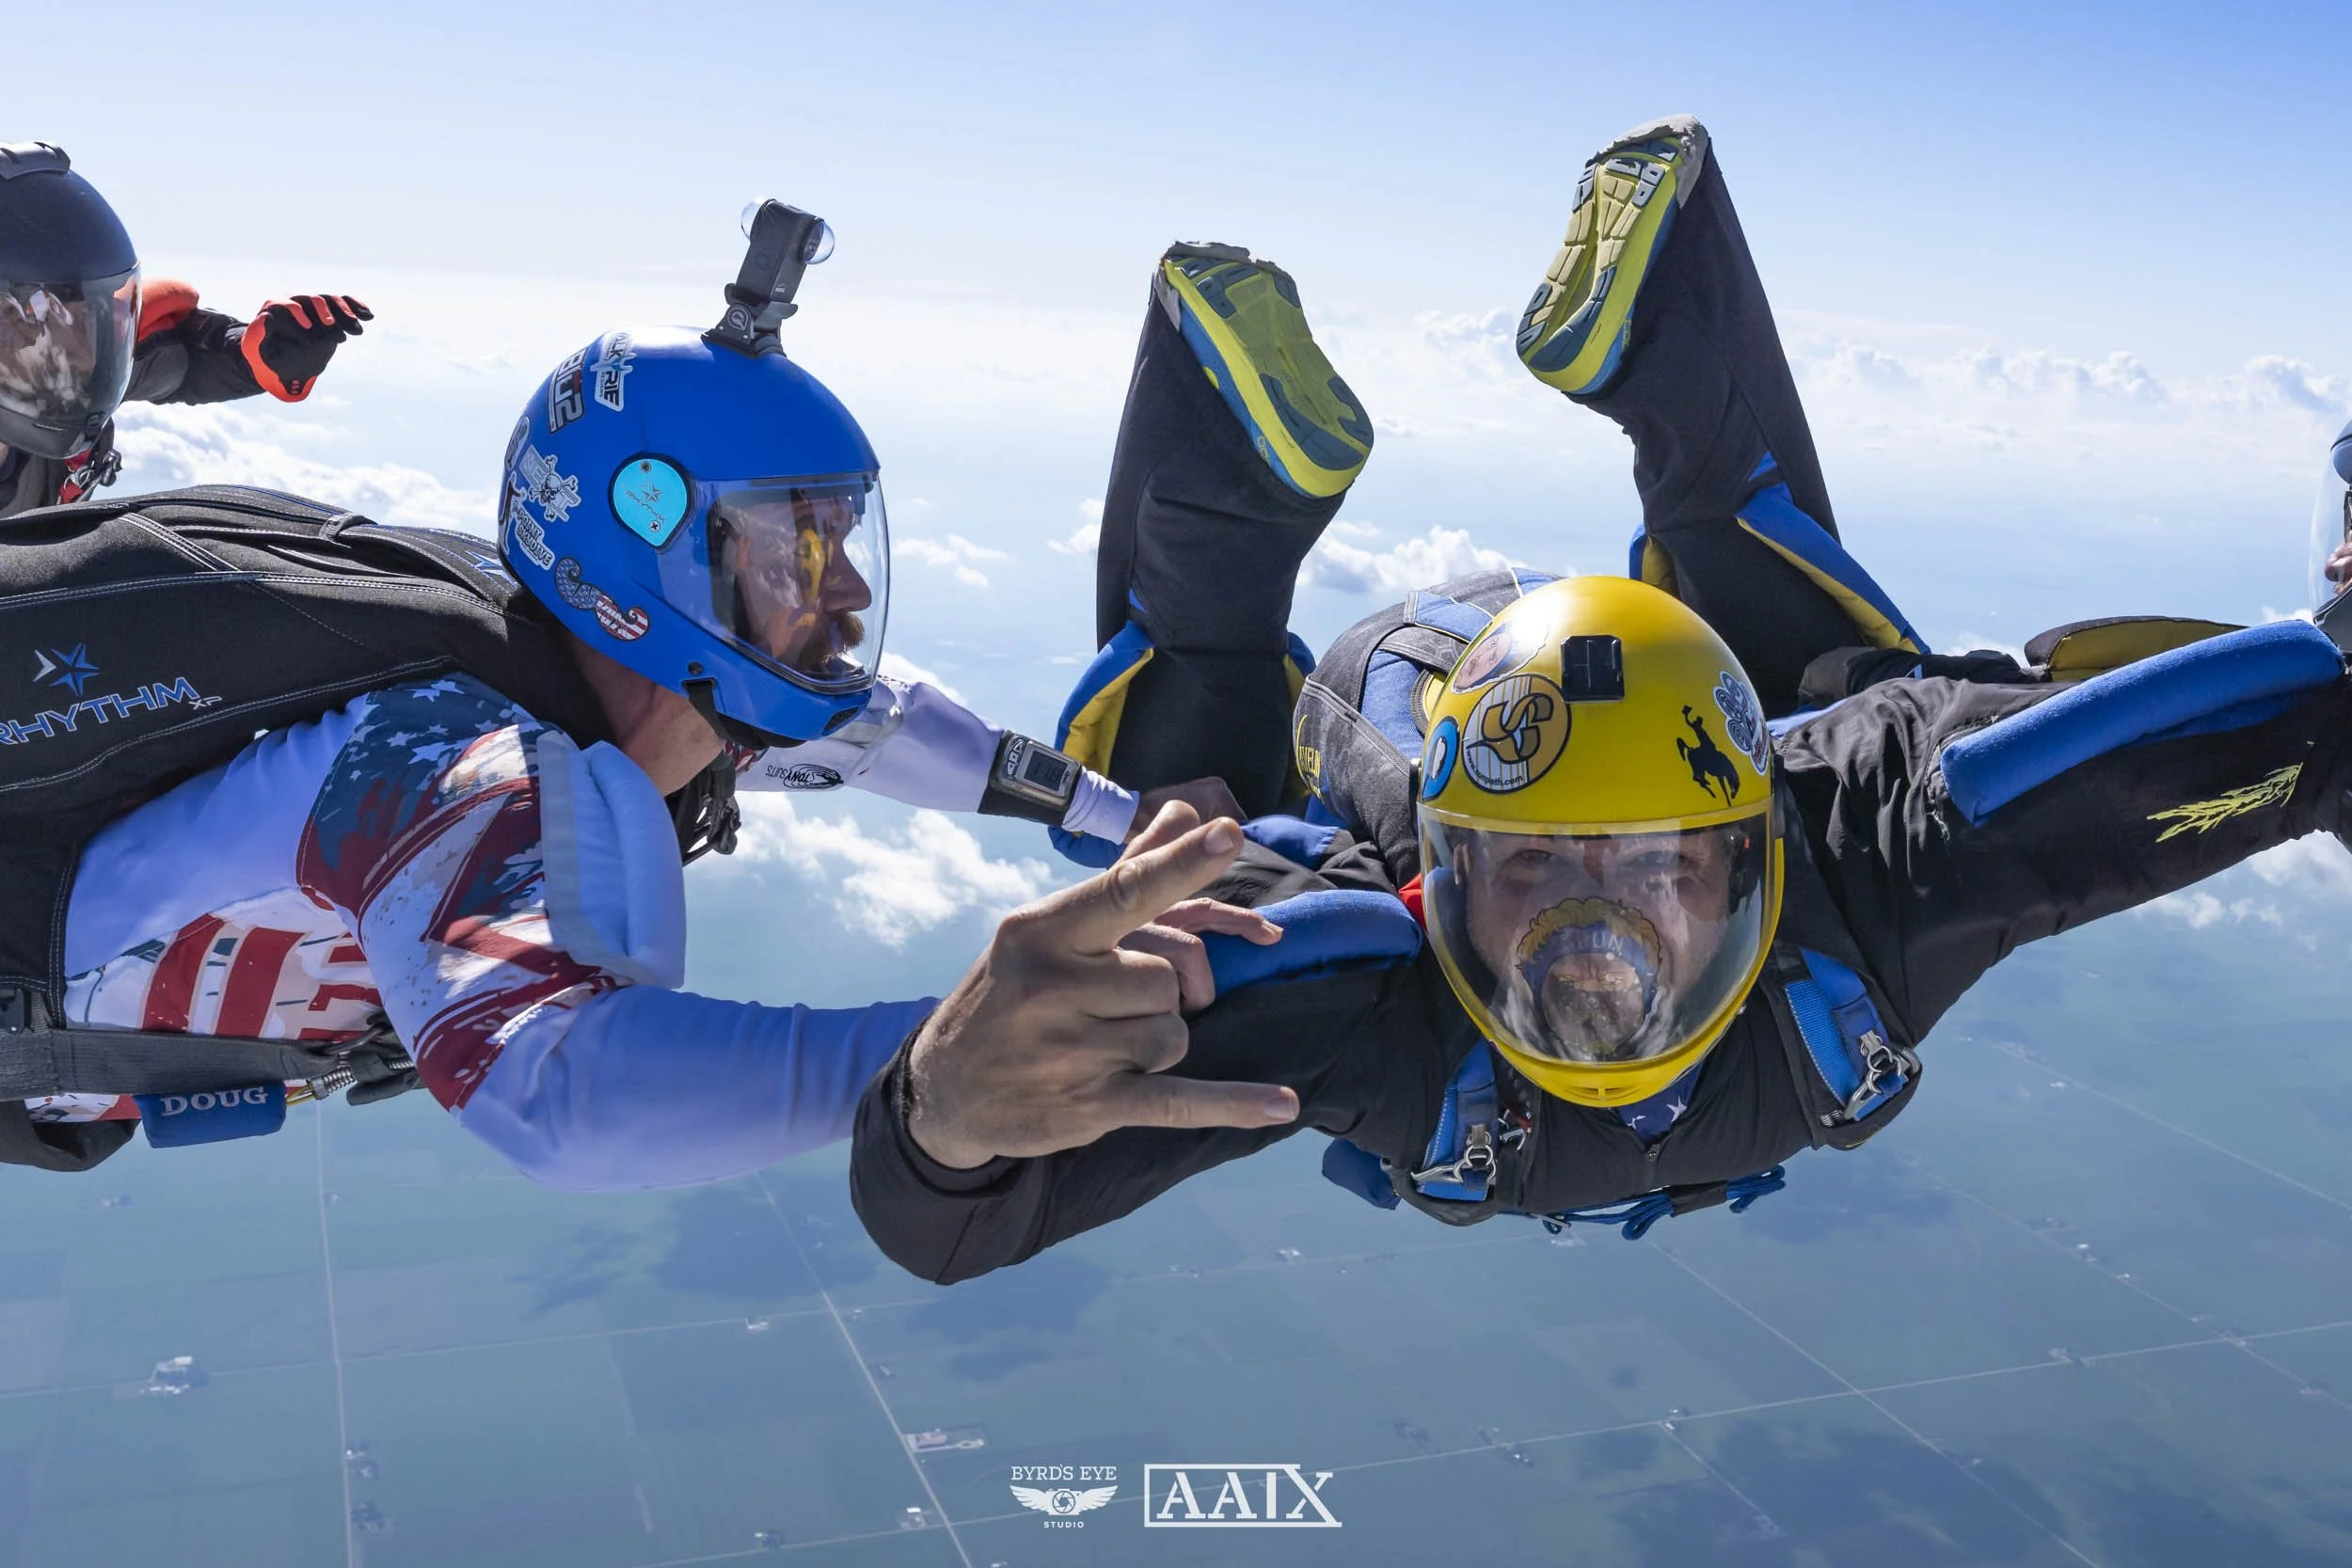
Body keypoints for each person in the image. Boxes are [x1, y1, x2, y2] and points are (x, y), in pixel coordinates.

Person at [849, 117, 2352, 1282]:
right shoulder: (1858, 901)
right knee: (1182, 846)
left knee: (1182, 826)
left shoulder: (1375, 1018)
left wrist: (945, 1117)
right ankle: (1647, 341)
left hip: (1537, 710)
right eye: (1533, 872)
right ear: (1437, 885)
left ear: (1749, 858)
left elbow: (949, 1220)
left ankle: (1251, 481)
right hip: (1427, 678)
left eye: (1657, 865)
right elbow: (2174, 746)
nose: (1599, 940)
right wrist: (955, 1099)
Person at [14, 203, 1264, 1182]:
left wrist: (1126, 816)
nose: (842, 603)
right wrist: (940, 1061)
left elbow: (884, 722)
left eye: (842, 543)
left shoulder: (628, 673)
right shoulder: (446, 756)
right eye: (797, 554)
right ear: (648, 570)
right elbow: (562, 1098)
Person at [0, 141, 372, 517]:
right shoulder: (49, 375)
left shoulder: (61, 376)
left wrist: (258, 353)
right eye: (26, 321)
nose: (82, 352)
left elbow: (177, 358)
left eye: (87, 316)